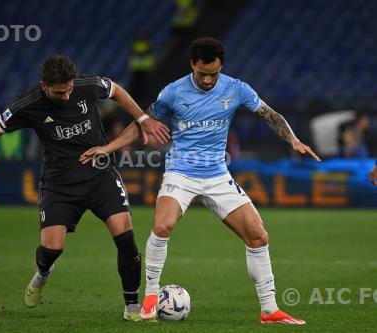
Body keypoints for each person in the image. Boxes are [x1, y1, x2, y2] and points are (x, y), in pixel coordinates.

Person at [80, 37, 321, 324]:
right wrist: (108, 147)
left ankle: (269, 310)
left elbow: (270, 115)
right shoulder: (173, 92)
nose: (208, 80)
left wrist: (292, 139)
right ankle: (150, 300)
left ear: (221, 68)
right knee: (162, 225)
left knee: (258, 235)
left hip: (218, 175)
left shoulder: (237, 88)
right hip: (181, 173)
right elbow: (141, 123)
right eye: (203, 73)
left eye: (214, 74)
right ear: (193, 64)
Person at [0, 55, 170, 320]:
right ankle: (43, 274)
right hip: (59, 184)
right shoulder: (27, 104)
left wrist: (141, 118)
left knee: (125, 236)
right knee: (52, 248)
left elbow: (115, 90)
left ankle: (131, 306)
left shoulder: (85, 85)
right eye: (60, 92)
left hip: (100, 175)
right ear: (44, 85)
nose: (66, 95)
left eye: (69, 89)